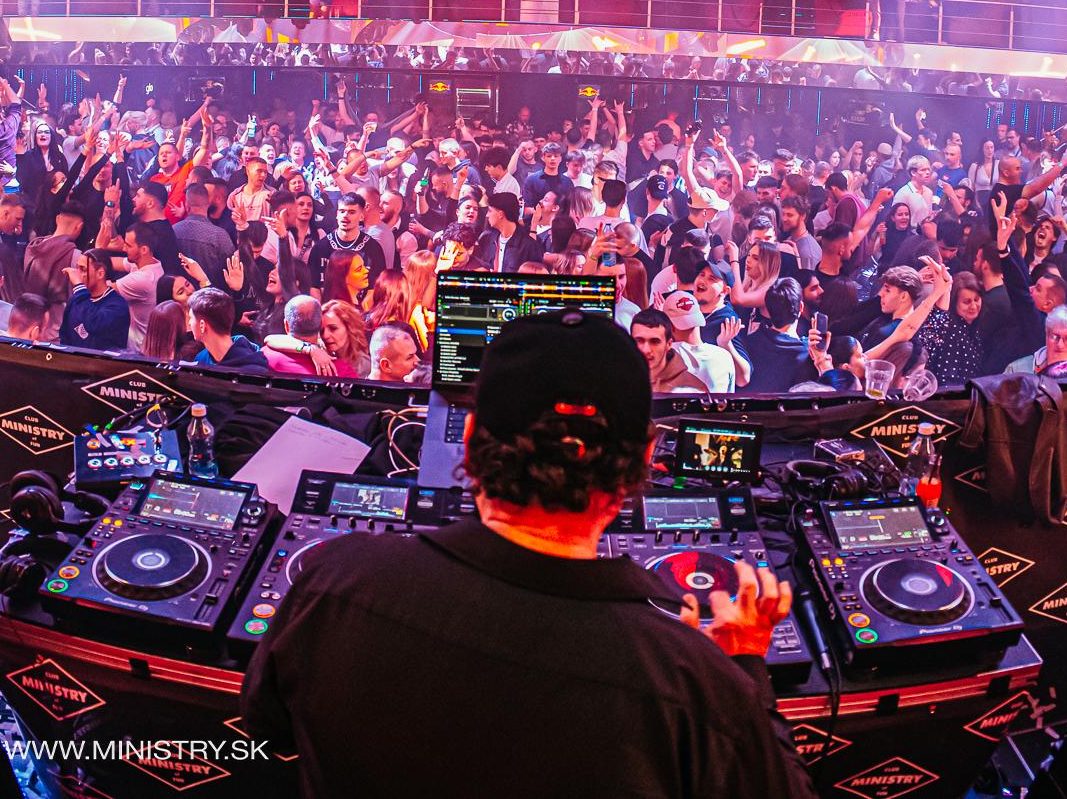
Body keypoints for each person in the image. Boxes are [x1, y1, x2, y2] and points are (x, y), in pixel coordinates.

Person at [242, 309, 813, 798]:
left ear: (469, 440)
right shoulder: (696, 687)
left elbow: (266, 724)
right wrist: (743, 667)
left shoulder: (332, 581)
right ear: (642, 462)